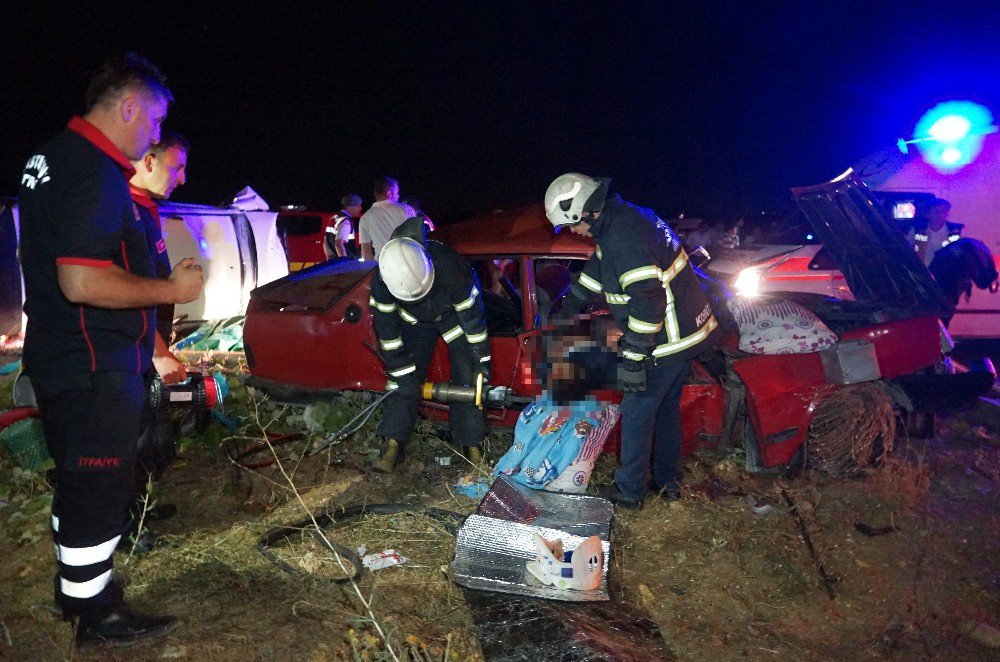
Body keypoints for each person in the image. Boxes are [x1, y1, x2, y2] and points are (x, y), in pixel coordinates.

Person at [18, 53, 203, 647]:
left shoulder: (48, 157)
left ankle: (72, 587)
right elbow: (81, 279)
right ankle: (95, 613)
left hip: (59, 353)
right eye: (154, 122)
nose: (153, 137)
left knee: (76, 480)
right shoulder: (94, 172)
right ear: (130, 108)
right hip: (92, 359)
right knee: (100, 484)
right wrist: (172, 290)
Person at [544, 173, 719, 509]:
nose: (572, 232)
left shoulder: (623, 238)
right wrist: (568, 307)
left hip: (667, 340)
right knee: (666, 410)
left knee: (636, 412)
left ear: (588, 212)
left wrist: (636, 356)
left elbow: (649, 302)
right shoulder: (623, 221)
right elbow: (598, 268)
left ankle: (629, 492)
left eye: (572, 224)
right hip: (689, 333)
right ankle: (667, 481)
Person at [368, 216, 491, 471]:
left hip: (452, 319)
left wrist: (481, 360)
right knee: (403, 381)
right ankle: (393, 444)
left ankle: (472, 445)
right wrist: (402, 370)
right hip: (413, 321)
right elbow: (388, 333)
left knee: (468, 377)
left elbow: (473, 322)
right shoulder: (384, 280)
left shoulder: (451, 268)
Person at [126, 130, 191, 547]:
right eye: (177, 165)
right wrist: (157, 351)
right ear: (149, 161)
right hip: (132, 352)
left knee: (156, 440)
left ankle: (139, 508)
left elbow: (150, 283)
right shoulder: (121, 211)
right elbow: (124, 291)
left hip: (148, 350)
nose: (182, 178)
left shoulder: (146, 211)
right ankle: (126, 527)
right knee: (136, 440)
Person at [358, 176, 416, 261]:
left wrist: (373, 271)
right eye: (397, 192)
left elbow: (366, 251)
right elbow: (417, 238)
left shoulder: (365, 218)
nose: (398, 195)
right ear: (389, 193)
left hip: (383, 265)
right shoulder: (406, 209)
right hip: (407, 262)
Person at [908, 197, 962, 267]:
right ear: (928, 213)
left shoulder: (956, 231)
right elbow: (908, 250)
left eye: (943, 211)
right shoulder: (917, 230)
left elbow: (961, 255)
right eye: (936, 211)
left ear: (947, 214)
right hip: (924, 273)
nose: (939, 214)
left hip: (947, 274)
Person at [325, 193, 363, 259]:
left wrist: (329, 258)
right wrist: (344, 263)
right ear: (349, 207)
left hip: (333, 262)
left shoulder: (334, 218)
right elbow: (338, 244)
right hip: (343, 264)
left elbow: (325, 242)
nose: (360, 208)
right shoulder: (345, 222)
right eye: (358, 206)